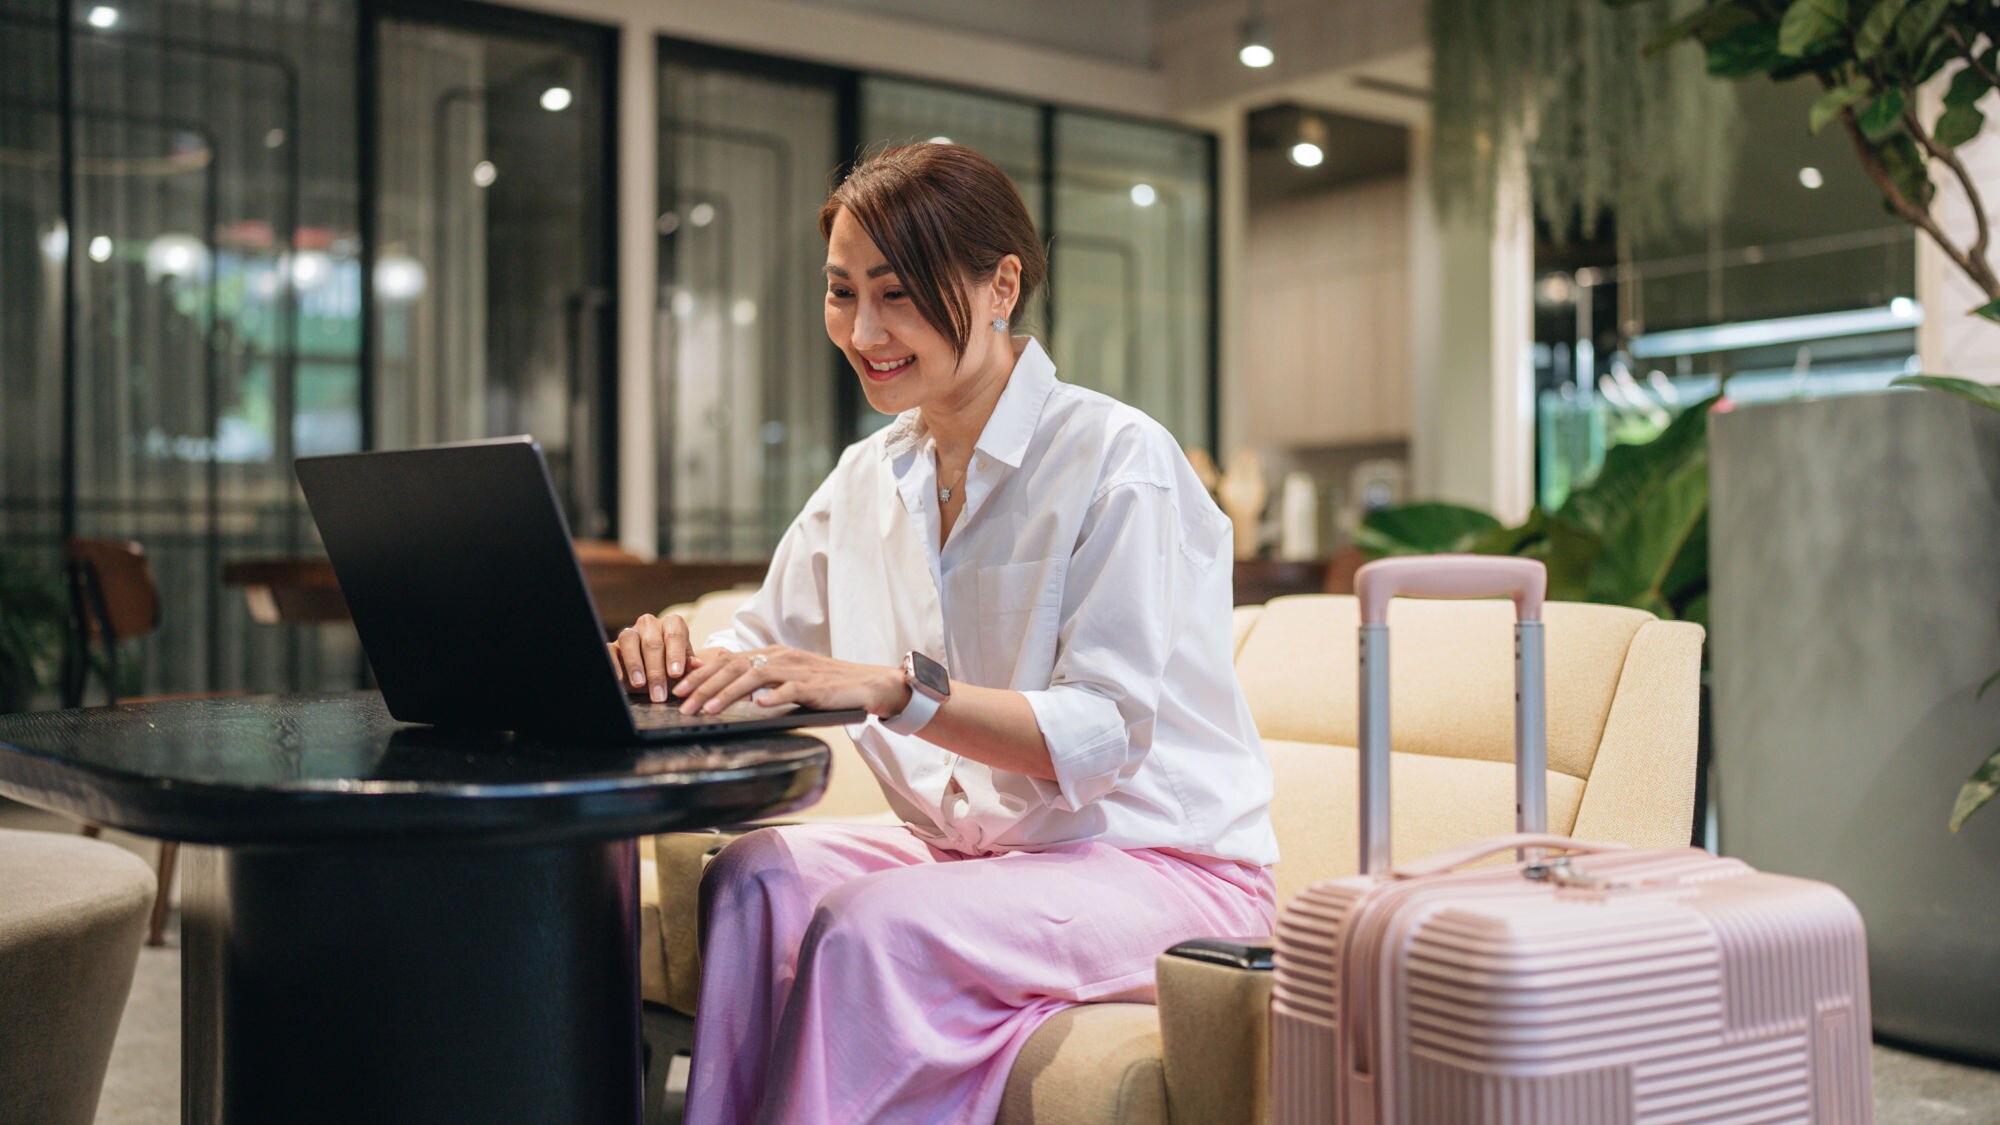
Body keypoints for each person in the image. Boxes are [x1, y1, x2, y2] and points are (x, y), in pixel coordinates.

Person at [610, 143, 1277, 1125]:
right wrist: (667, 656)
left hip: (1161, 868)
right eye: (841, 294)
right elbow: (760, 654)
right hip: (982, 862)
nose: (864, 329)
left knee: (869, 929)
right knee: (751, 879)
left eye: (898, 294)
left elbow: (1098, 735)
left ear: (1000, 283)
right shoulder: (866, 478)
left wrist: (893, 690)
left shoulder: (1117, 460)